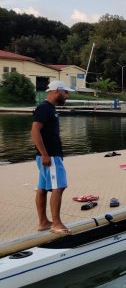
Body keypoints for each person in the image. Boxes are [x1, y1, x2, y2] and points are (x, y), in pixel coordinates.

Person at [31, 80, 74, 234]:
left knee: (42, 188)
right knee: (59, 187)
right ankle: (56, 223)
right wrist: (45, 154)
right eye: (65, 92)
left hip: (47, 156)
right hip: (50, 157)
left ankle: (43, 222)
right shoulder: (44, 108)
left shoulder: (49, 108)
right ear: (57, 90)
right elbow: (35, 131)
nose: (67, 95)